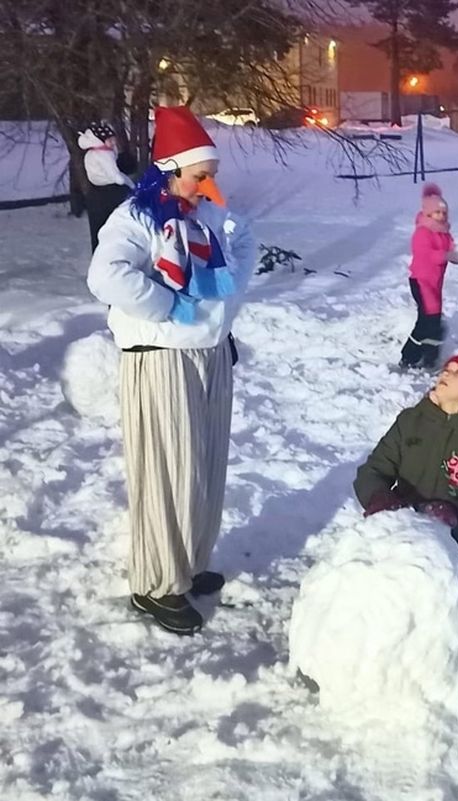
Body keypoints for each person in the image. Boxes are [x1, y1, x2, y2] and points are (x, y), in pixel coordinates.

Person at [87, 106, 257, 635]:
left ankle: (187, 562)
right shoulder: (136, 218)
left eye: (212, 176)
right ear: (170, 170)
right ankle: (155, 584)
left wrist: (220, 309)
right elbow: (106, 276)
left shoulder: (204, 216)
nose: (208, 184)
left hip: (208, 355)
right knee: (167, 471)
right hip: (160, 360)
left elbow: (239, 258)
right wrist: (169, 308)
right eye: (200, 175)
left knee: (202, 469)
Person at [354, 354, 458, 645]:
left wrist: (453, 514)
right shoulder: (410, 422)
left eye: (457, 372)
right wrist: (380, 500)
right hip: (402, 528)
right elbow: (372, 471)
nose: (445, 372)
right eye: (447, 368)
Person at [400, 183, 458, 370]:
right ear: (428, 213)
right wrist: (447, 255)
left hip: (434, 284)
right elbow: (427, 255)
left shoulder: (444, 234)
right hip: (420, 281)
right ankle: (410, 357)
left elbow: (452, 251)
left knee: (432, 320)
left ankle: (429, 358)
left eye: (444, 213)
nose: (441, 216)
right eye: (437, 212)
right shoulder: (422, 233)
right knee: (429, 320)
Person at [78, 122, 135, 252]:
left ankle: (100, 257)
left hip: (97, 194)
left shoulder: (94, 154)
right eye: (110, 140)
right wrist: (129, 185)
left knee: (100, 230)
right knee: (112, 228)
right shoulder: (104, 155)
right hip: (109, 194)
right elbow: (117, 176)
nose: (113, 142)